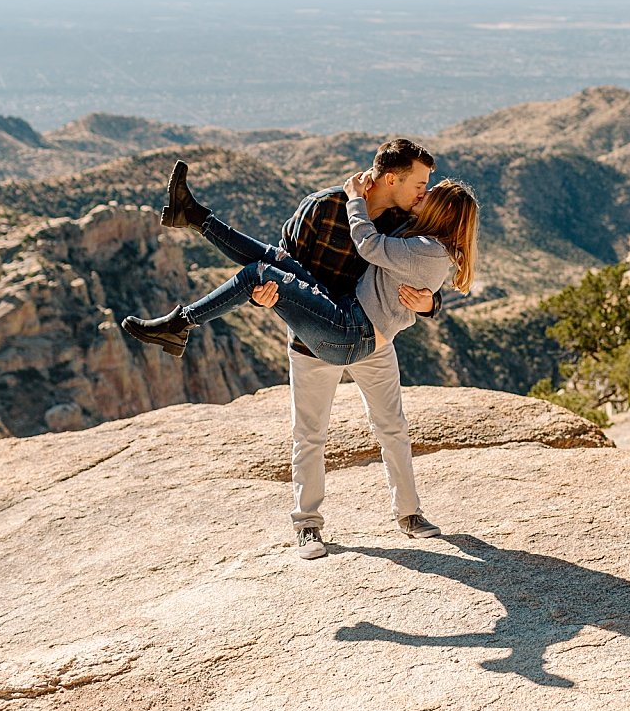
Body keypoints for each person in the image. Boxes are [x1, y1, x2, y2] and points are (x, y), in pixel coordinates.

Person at [123, 140, 475, 557]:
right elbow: (283, 269)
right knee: (308, 433)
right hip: (319, 330)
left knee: (392, 427)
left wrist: (432, 302)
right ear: (392, 178)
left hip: (365, 332)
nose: (423, 192)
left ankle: (409, 513)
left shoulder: (405, 220)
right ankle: (308, 525)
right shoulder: (323, 207)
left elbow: (423, 267)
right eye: (420, 183)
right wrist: (265, 297)